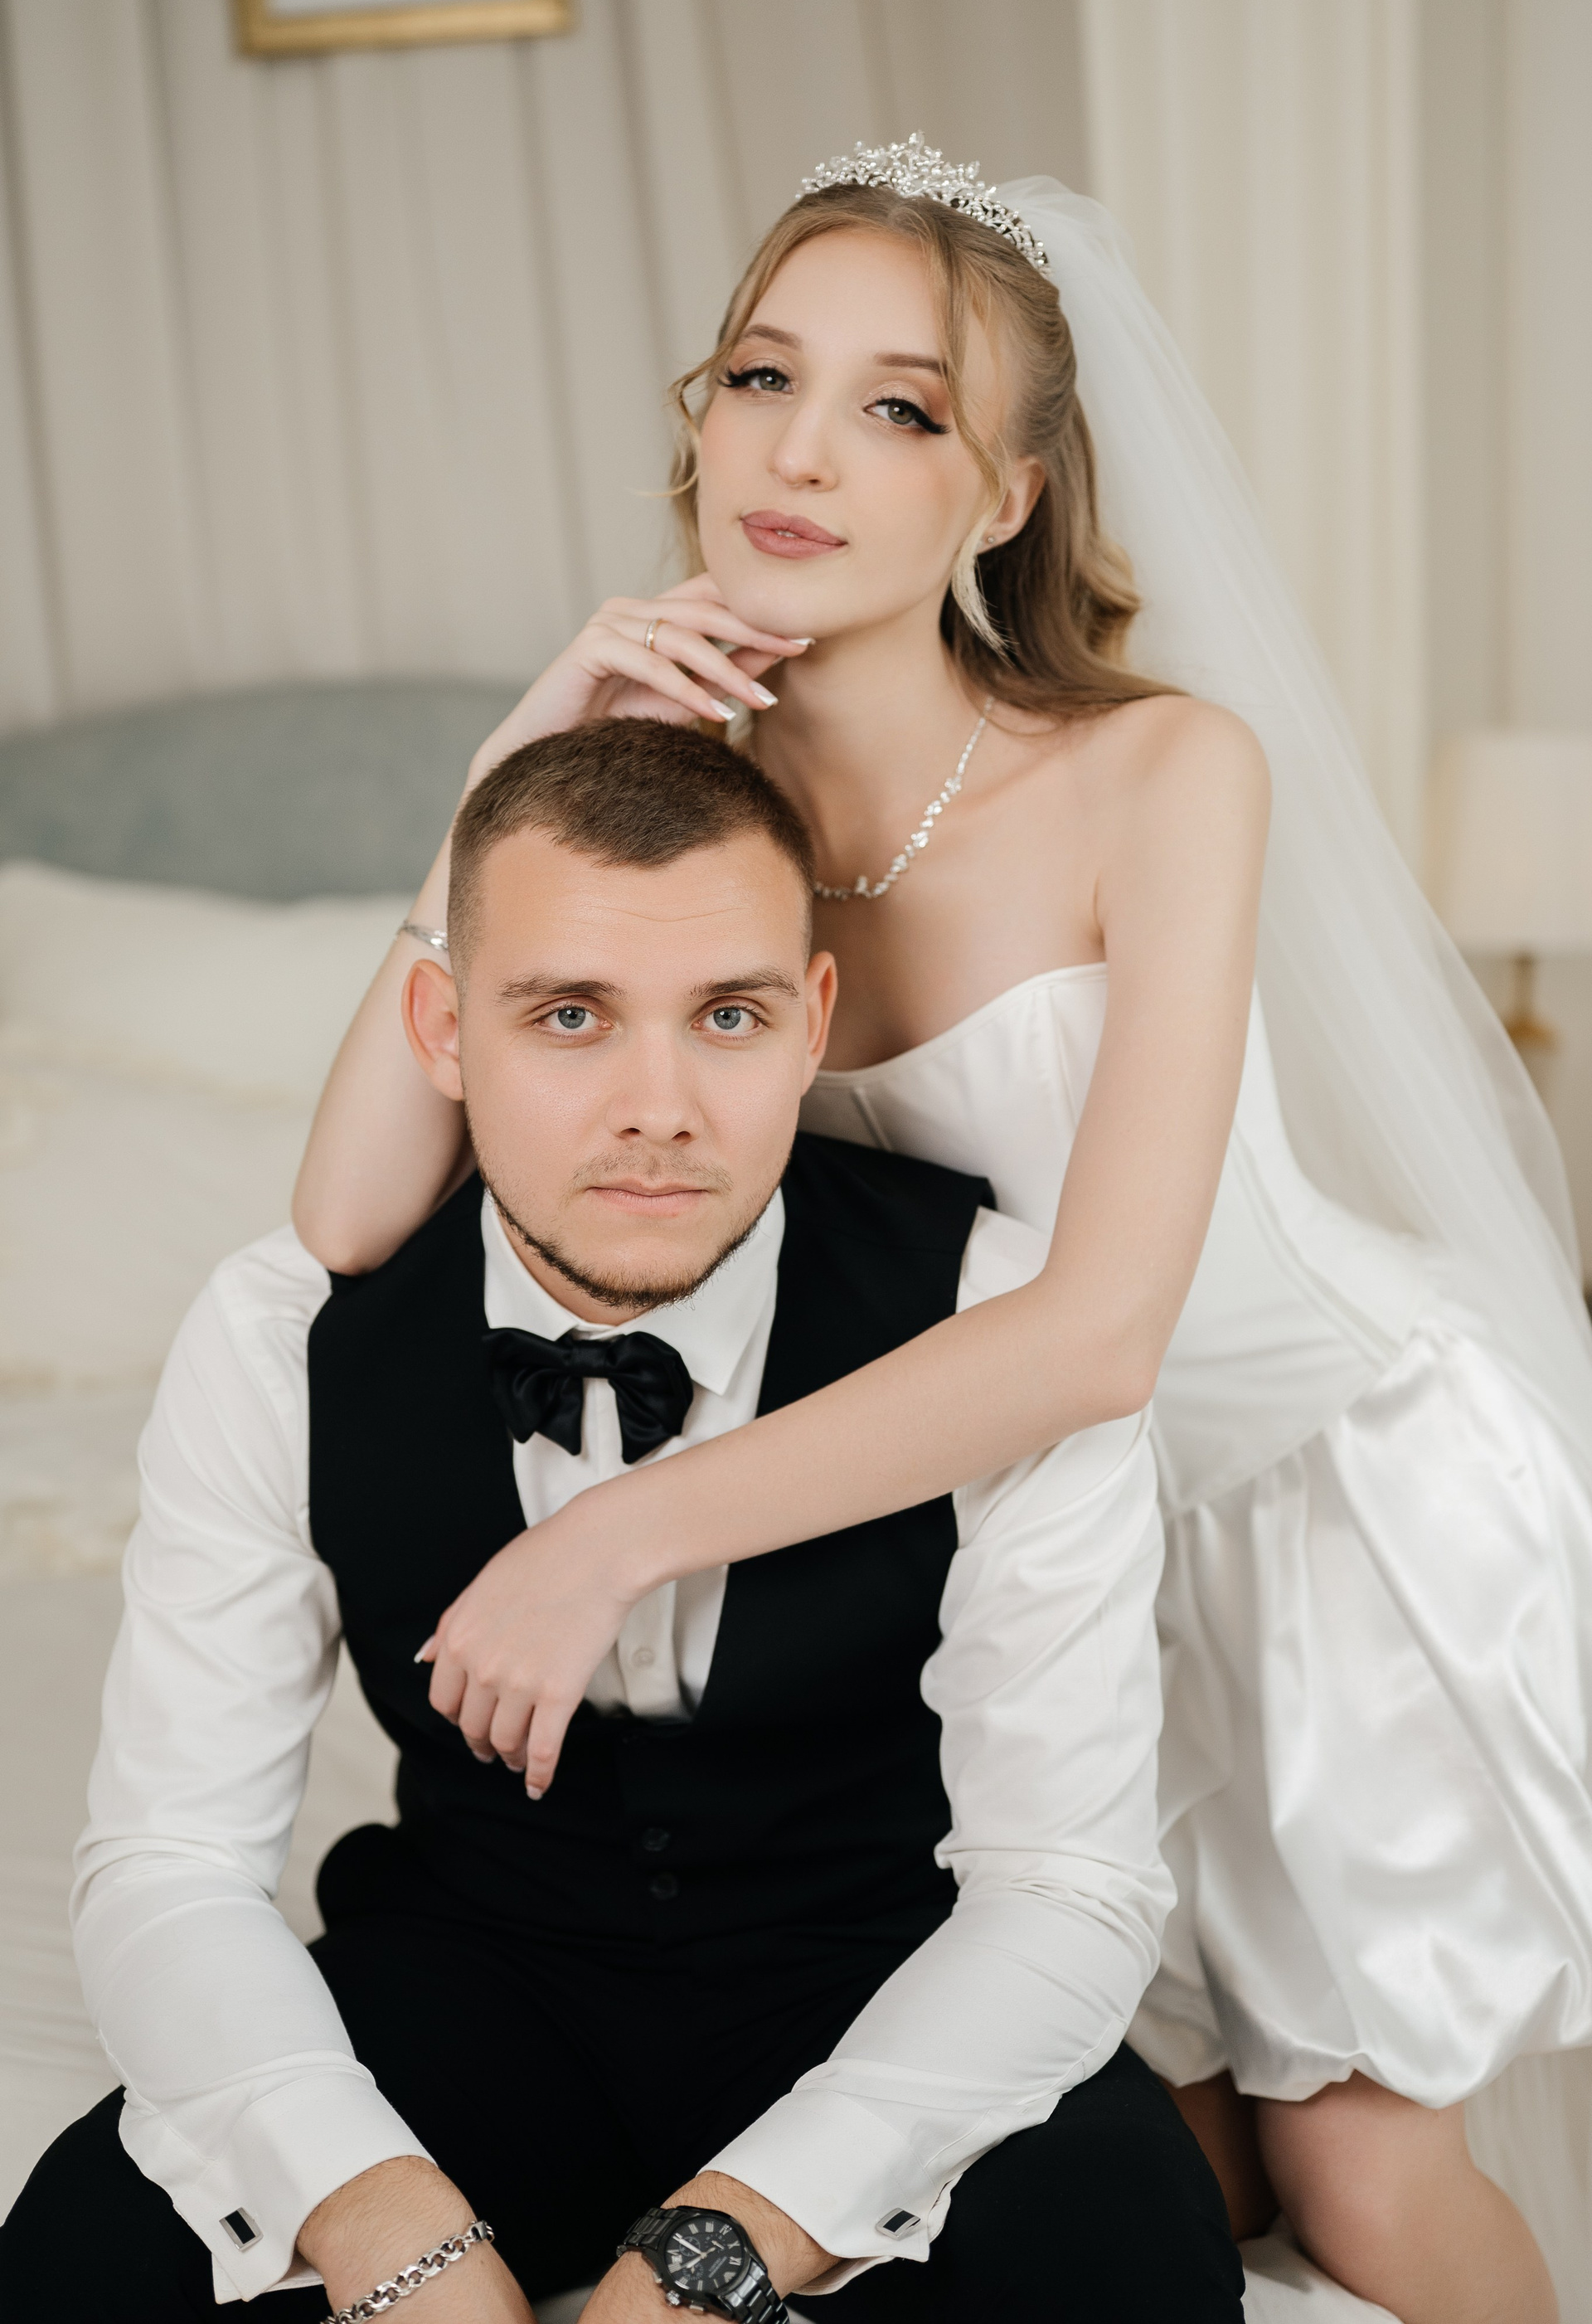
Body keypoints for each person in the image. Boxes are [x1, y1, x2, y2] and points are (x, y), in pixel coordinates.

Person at [289, 146, 1592, 2324]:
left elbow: (1100, 1336)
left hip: (1310, 1510)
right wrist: (518, 755)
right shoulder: (691, 811)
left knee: (1357, 2166)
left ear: (1005, 495)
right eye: (762, 377)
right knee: (1117, 2169)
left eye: (899, 408)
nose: (801, 452)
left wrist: (614, 1538)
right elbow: (349, 1213)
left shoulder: (1162, 773)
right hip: (1016, 1551)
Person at [1, 722, 1242, 2322]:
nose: (658, 1109)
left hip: (888, 1972)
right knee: (80, 2261)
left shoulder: (996, 1318)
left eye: (727, 1016)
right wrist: (386, 2230)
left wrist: (724, 2250)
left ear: (813, 1023)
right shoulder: (276, 1336)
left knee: (1127, 2263)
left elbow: (1063, 1885)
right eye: (570, 1015)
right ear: (443, 1028)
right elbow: (170, 1857)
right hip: (472, 1971)